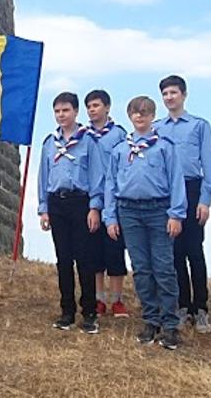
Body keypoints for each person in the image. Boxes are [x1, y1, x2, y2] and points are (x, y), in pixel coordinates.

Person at [105, 95, 187, 350]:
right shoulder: (120, 149)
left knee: (163, 267)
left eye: (145, 112)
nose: (139, 117)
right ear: (129, 116)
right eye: (135, 113)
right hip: (129, 211)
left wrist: (176, 214)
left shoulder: (164, 146)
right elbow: (110, 183)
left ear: (153, 116)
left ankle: (171, 324)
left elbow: (176, 180)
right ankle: (150, 320)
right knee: (141, 268)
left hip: (159, 210)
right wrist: (110, 217)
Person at [37, 92, 104, 334]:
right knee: (63, 259)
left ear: (76, 112)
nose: (61, 115)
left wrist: (95, 207)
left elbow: (97, 176)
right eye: (57, 111)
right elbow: (43, 177)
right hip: (57, 204)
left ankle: (89, 313)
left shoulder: (89, 141)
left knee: (84, 259)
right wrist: (44, 209)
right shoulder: (49, 143)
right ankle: (67, 311)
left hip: (81, 203)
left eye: (65, 110)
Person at [155, 74, 211, 333]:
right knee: (174, 252)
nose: (169, 98)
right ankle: (181, 305)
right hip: (167, 192)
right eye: (165, 94)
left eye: (173, 93)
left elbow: (209, 166)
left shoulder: (199, 126)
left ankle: (200, 308)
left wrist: (205, 199)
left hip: (191, 189)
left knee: (194, 250)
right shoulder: (158, 128)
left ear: (184, 95)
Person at [84, 89, 130, 319]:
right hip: (90, 199)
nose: (93, 110)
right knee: (94, 253)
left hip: (114, 199)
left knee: (114, 250)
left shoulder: (119, 135)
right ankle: (99, 298)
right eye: (89, 106)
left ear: (108, 107)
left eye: (96, 105)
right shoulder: (82, 136)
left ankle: (117, 299)